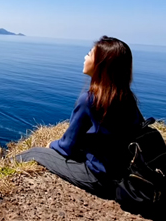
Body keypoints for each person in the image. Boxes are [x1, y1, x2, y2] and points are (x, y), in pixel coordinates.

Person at [16, 36, 143, 199]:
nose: (85, 57)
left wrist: (51, 144)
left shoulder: (89, 99)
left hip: (99, 178)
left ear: (101, 64)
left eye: (90, 54)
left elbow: (67, 146)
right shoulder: (127, 99)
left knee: (35, 152)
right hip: (122, 174)